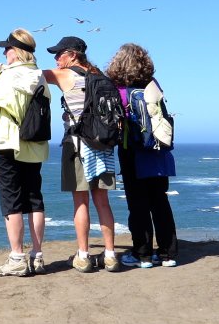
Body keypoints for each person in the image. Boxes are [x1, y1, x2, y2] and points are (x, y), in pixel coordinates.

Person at [0, 29, 50, 277]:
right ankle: (37, 256)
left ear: (16, 52)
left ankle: (16, 257)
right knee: (34, 198)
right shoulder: (39, 76)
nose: (4, 52)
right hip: (34, 144)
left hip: (7, 141)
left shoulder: (7, 78)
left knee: (11, 201)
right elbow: (18, 74)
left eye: (6, 49)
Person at [41, 36, 120, 273]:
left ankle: (83, 256)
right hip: (104, 145)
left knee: (80, 201)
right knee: (103, 201)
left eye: (59, 54)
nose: (56, 59)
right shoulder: (102, 77)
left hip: (77, 145)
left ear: (73, 55)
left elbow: (29, 75)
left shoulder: (65, 75)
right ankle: (110, 255)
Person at [106, 42, 178, 268]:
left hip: (133, 152)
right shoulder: (153, 85)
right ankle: (168, 254)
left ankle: (143, 254)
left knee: (137, 204)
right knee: (160, 202)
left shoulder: (120, 90)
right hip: (158, 152)